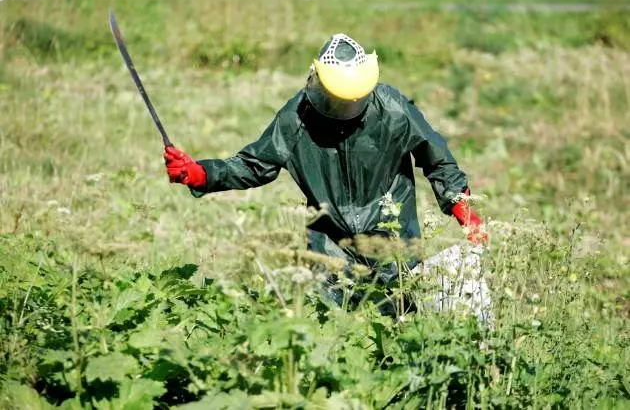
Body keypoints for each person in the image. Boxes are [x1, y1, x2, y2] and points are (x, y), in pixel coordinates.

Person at [164, 33, 489, 310]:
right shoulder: (297, 118)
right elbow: (253, 165)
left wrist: (463, 208)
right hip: (329, 241)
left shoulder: (392, 109)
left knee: (402, 317)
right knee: (331, 322)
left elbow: (437, 159)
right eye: (337, 100)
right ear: (318, 82)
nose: (346, 110)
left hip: (392, 233)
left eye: (355, 101)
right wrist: (200, 174)